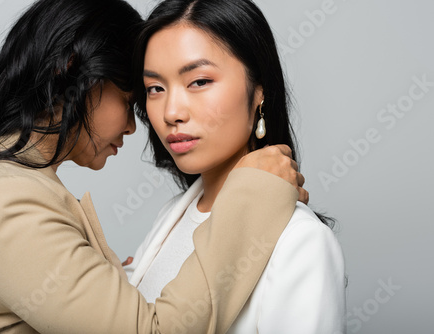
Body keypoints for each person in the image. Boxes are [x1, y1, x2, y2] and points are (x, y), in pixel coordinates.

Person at [0, 0, 308, 333]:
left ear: (258, 89)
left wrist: (112, 280)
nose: (134, 125)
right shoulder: (5, 198)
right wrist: (254, 195)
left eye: (198, 81)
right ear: (71, 72)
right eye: (135, 97)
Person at [126, 0, 346, 333]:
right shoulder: (172, 217)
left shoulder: (300, 241)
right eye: (155, 88)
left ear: (259, 90)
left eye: (199, 81)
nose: (171, 111)